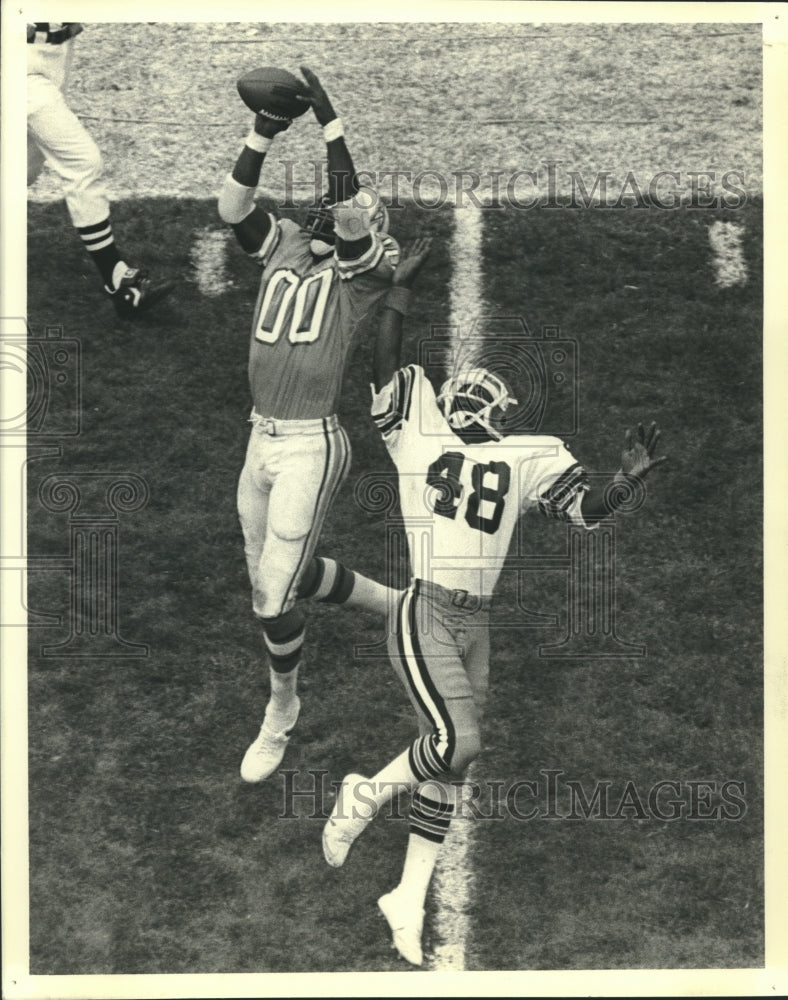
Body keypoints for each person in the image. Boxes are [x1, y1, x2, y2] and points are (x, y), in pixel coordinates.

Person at [321, 238, 667, 966]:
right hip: (426, 613)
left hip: (475, 622)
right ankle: (364, 794)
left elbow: (589, 509)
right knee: (457, 744)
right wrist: (398, 294)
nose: (485, 413)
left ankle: (407, 899)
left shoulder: (518, 454)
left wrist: (629, 481)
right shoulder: (429, 438)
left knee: (450, 767)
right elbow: (384, 363)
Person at [217, 66, 400, 784]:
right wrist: (263, 131)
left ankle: (280, 714)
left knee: (271, 595)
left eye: (342, 213)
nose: (326, 213)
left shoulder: (366, 274)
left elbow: (349, 207)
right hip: (258, 436)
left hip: (310, 445)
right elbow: (233, 207)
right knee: (274, 579)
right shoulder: (289, 240)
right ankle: (390, 602)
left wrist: (331, 124)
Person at [27, 22, 175, 318]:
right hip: (18, 62)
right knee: (82, 161)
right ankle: (119, 282)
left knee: (23, 169)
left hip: (55, 53)